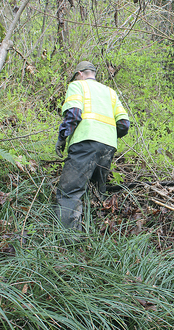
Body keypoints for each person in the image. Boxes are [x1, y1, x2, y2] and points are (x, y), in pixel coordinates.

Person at [54, 60, 130, 230]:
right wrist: (107, 134)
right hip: (108, 146)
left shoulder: (77, 86)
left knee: (70, 191)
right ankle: (95, 234)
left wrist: (62, 137)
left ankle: (69, 241)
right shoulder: (110, 92)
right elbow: (124, 124)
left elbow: (74, 113)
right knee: (96, 191)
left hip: (85, 142)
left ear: (80, 74)